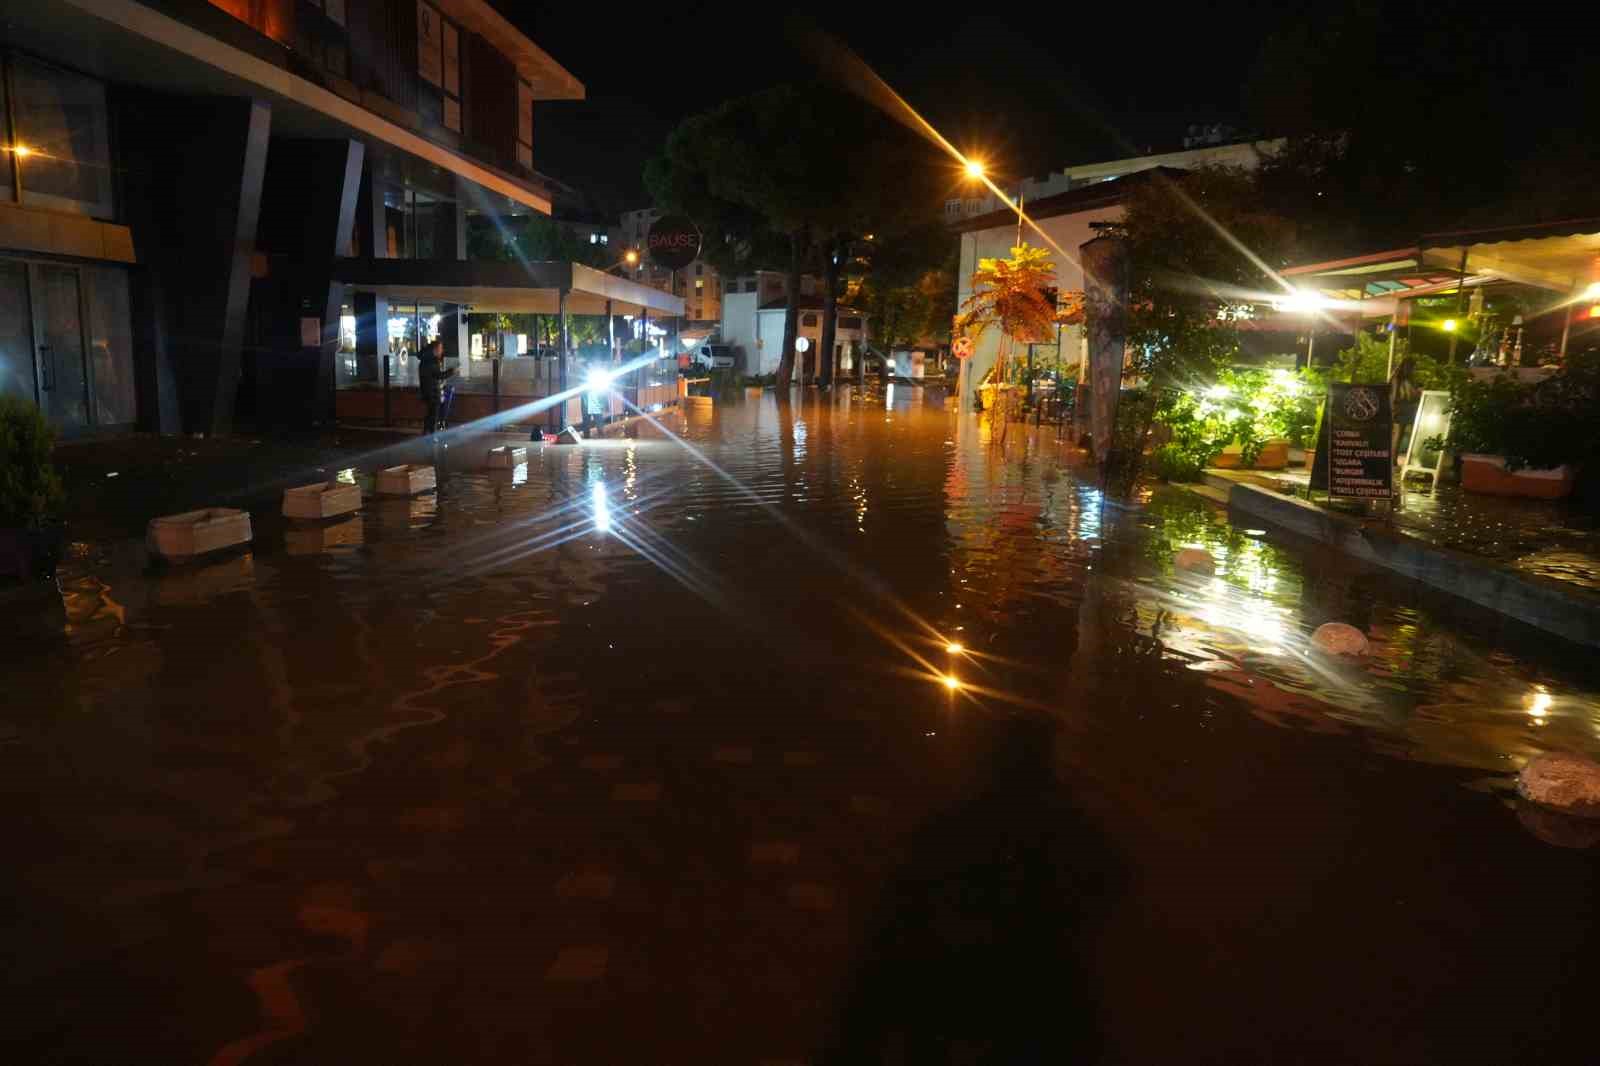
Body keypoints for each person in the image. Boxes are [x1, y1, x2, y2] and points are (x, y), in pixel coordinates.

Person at [418, 338, 454, 435]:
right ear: (435, 349)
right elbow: (439, 375)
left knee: (430, 413)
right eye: (441, 348)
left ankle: (426, 433)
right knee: (433, 414)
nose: (442, 351)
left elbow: (434, 375)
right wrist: (452, 371)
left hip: (427, 390)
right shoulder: (431, 360)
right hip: (432, 391)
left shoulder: (426, 359)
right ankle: (432, 435)